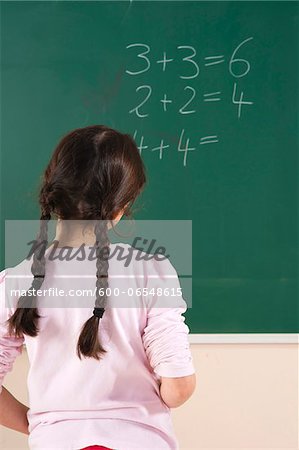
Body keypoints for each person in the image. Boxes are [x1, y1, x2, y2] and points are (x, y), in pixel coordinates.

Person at [0, 125, 196, 449]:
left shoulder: (16, 282)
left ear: (53, 192)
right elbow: (179, 386)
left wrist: (42, 424)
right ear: (122, 207)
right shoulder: (151, 272)